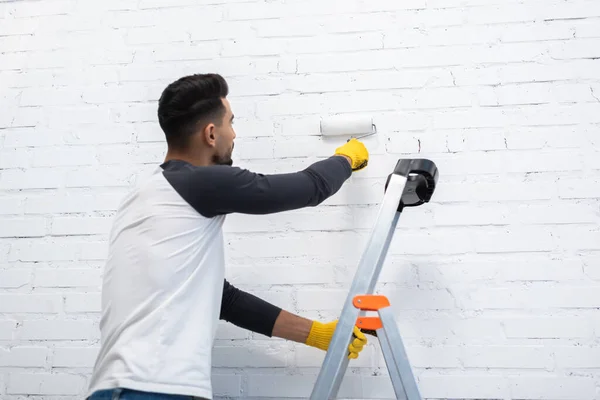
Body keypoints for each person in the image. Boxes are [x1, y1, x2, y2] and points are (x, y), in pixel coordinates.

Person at [86, 73, 370, 400]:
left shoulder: (145, 197)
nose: (233, 134)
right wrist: (347, 157)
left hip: (118, 389)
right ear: (210, 133)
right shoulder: (199, 184)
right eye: (231, 123)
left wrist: (316, 334)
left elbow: (223, 299)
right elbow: (310, 187)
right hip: (154, 390)